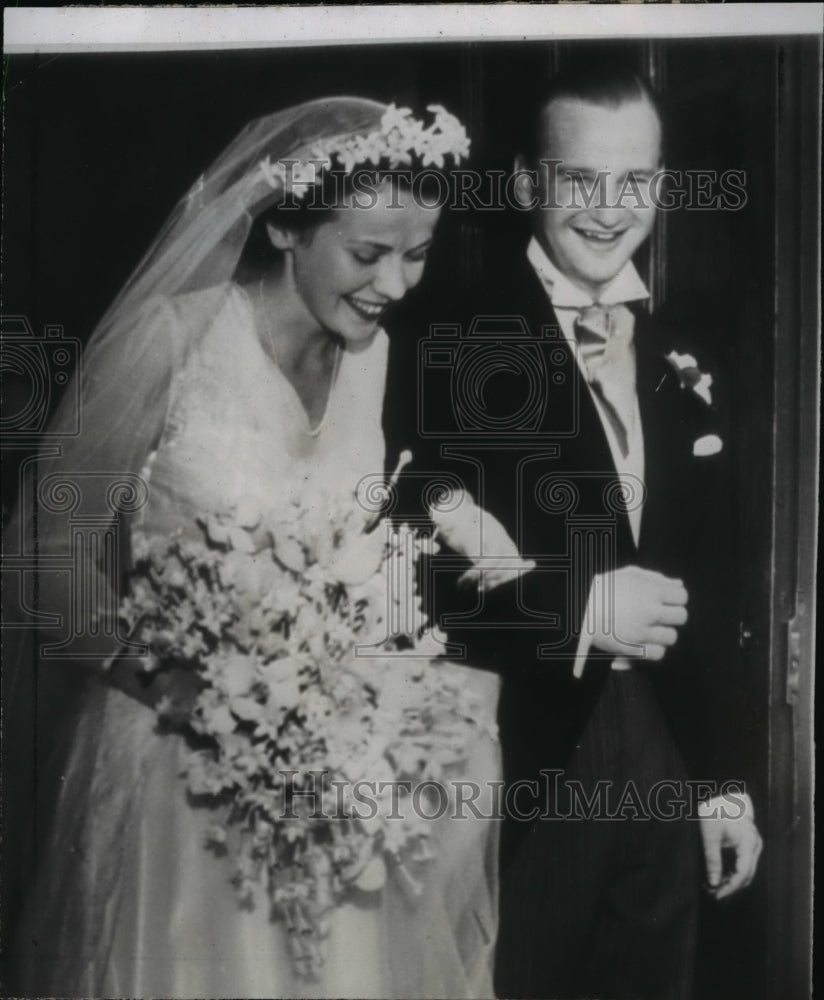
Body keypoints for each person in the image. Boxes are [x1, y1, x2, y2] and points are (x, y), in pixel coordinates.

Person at [3, 97, 501, 999]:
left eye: (417, 253)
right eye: (367, 253)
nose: (394, 283)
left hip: (325, 788)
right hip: (172, 768)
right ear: (283, 226)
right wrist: (167, 680)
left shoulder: (377, 356)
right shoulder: (174, 338)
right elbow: (42, 554)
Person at [431, 67, 763, 999]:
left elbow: (717, 576)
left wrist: (720, 780)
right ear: (533, 183)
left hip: (664, 748)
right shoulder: (451, 329)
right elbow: (406, 568)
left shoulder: (688, 345)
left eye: (636, 182)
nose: (610, 211)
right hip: (518, 751)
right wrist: (576, 609)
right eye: (580, 180)